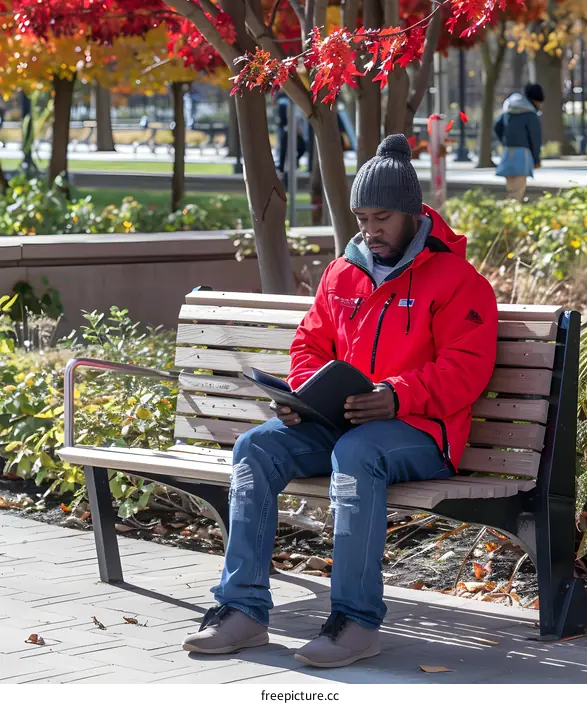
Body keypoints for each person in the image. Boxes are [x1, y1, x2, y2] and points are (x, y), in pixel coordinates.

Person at [182, 134, 498, 668]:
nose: (369, 231)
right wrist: (302, 396)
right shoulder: (341, 273)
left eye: (380, 219)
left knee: (358, 455)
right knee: (256, 448)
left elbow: (465, 370)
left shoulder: (458, 281)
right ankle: (242, 611)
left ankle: (355, 621)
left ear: (410, 213)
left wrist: (395, 396)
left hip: (421, 432)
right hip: (341, 422)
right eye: (361, 219)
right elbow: (310, 343)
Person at [494, 82, 544, 200]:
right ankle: (513, 213)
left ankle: (509, 209)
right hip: (523, 154)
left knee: (511, 187)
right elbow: (535, 138)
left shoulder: (509, 111)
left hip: (507, 153)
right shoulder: (531, 115)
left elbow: (497, 126)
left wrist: (506, 141)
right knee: (518, 190)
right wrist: (536, 159)